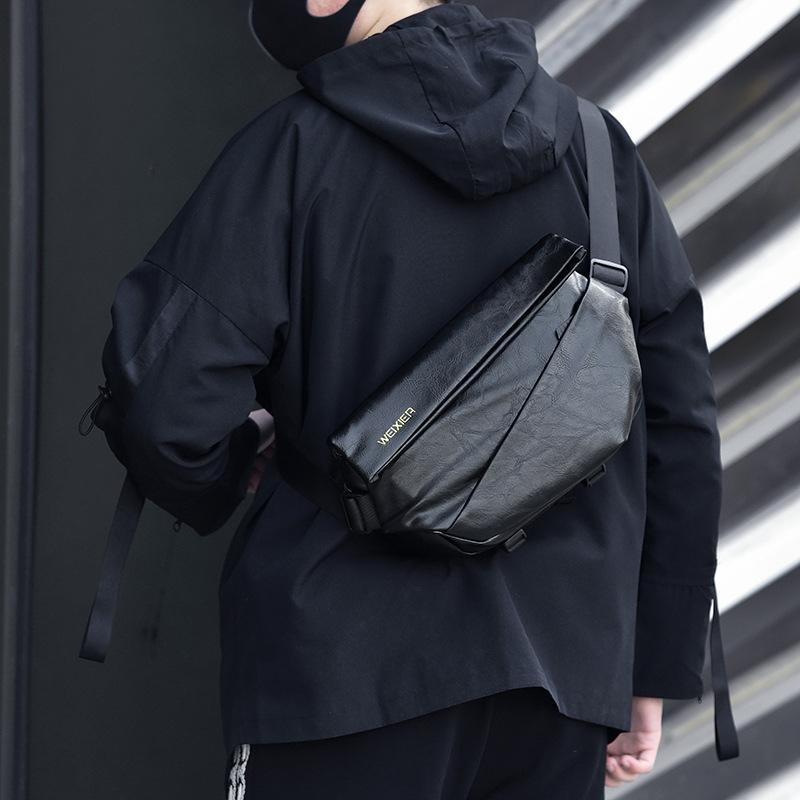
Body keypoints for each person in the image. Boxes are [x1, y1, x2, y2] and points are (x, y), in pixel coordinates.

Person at [93, 1, 725, 797]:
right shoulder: (601, 156)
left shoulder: (293, 151)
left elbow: (165, 398)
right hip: (556, 685)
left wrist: (230, 465)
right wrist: (652, 663)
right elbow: (679, 424)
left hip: (340, 673)